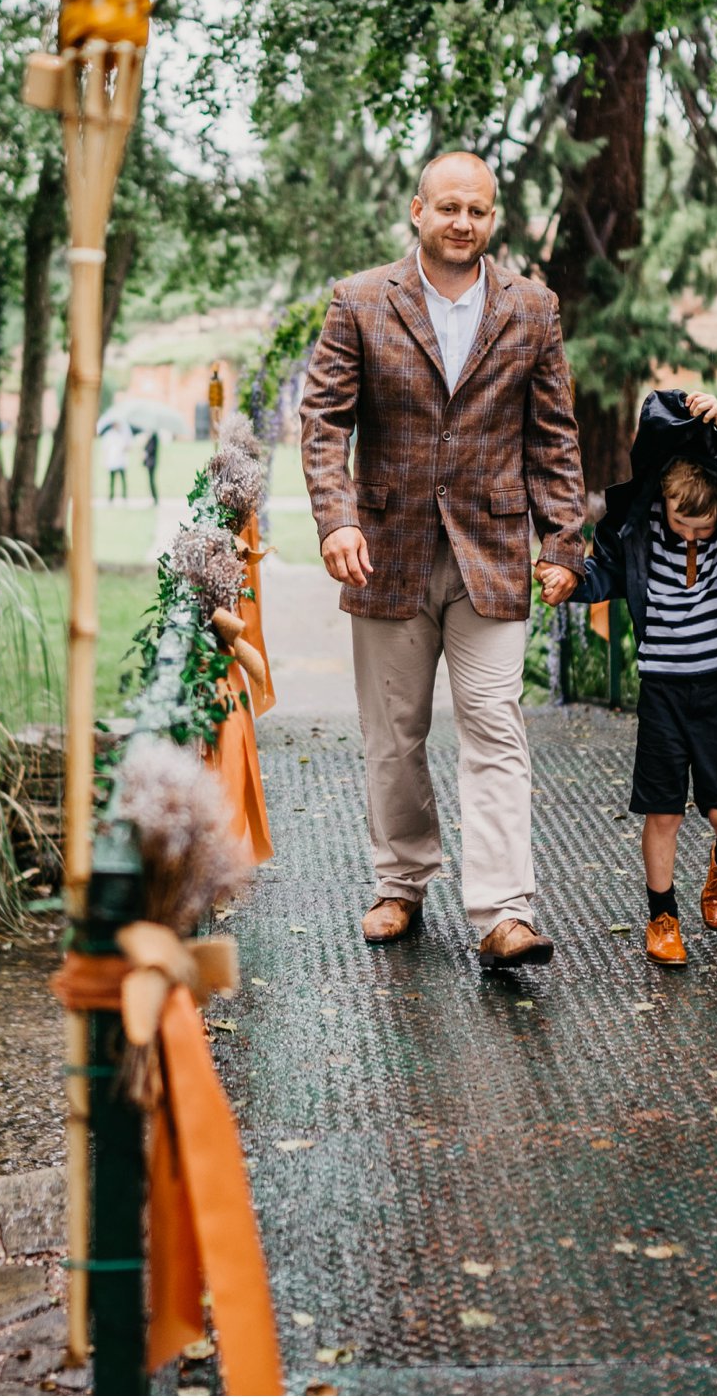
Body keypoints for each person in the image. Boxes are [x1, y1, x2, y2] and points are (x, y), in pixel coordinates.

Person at [298, 152, 589, 969]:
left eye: (480, 211)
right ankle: (401, 882)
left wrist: (563, 540)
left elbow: (555, 437)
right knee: (395, 734)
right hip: (383, 552)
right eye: (450, 207)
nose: (464, 223)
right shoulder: (360, 302)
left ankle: (504, 911)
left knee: (496, 725)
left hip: (492, 554)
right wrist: (334, 521)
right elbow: (323, 422)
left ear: (494, 220)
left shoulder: (532, 309)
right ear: (418, 212)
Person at [560, 389, 717, 967]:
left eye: (703, 526)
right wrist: (569, 581)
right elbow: (601, 576)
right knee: (662, 812)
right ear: (664, 504)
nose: (693, 538)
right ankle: (662, 917)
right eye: (682, 525)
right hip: (662, 691)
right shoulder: (640, 533)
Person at [103, 423, 130, 503]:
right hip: (112, 460)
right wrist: (105, 459)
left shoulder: (123, 434)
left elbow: (128, 446)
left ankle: (124, 496)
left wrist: (126, 448)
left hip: (121, 460)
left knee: (123, 480)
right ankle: (111, 497)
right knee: (112, 480)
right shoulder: (109, 435)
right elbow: (105, 448)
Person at [142, 428, 161, 505]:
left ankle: (155, 498)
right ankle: (154, 497)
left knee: (152, 481)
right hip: (150, 462)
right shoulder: (151, 438)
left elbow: (150, 449)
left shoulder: (154, 438)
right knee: (150, 481)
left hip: (151, 462)